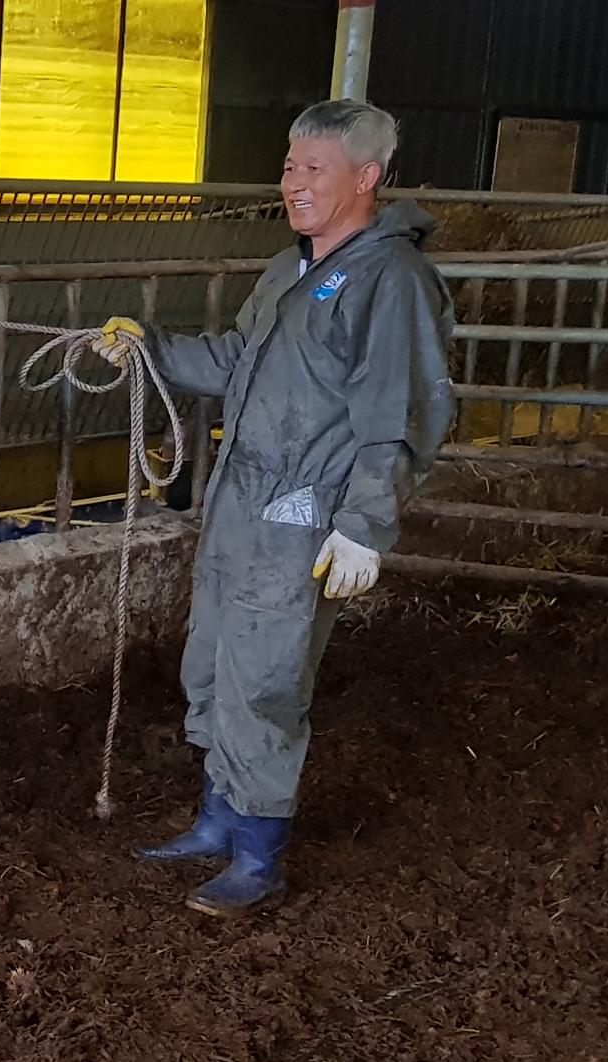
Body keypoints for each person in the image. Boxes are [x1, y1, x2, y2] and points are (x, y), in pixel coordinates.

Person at [96, 98, 456, 917]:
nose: (291, 182)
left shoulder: (391, 281)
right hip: (239, 506)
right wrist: (147, 346)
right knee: (214, 661)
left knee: (264, 679)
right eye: (289, 166)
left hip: (303, 516)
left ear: (366, 178)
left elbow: (400, 413)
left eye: (312, 168)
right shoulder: (286, 270)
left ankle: (259, 855)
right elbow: (236, 359)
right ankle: (221, 819)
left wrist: (364, 527)